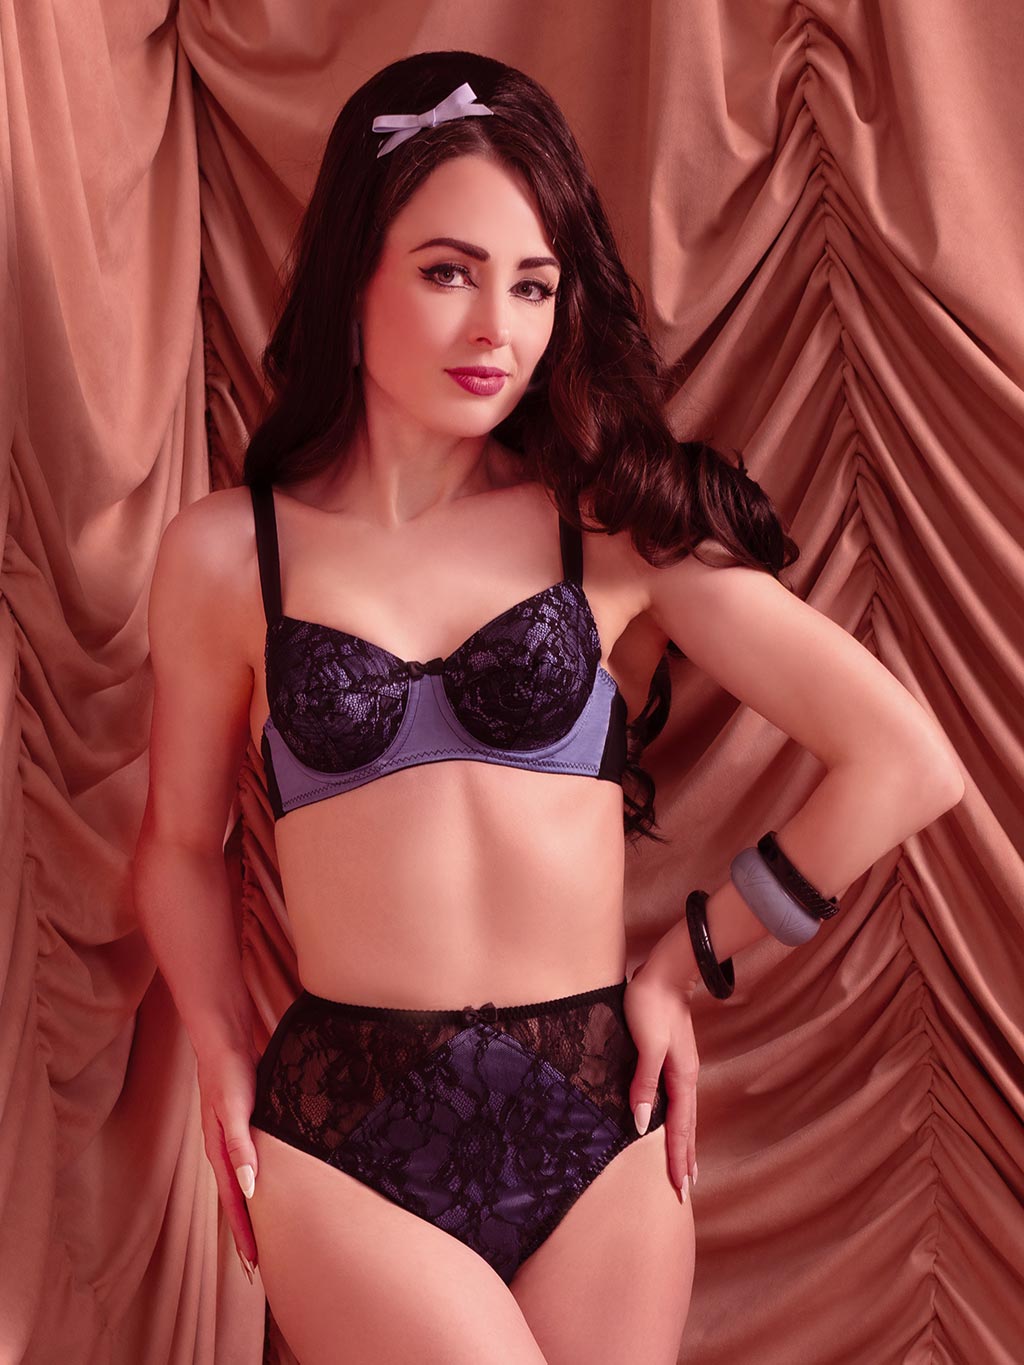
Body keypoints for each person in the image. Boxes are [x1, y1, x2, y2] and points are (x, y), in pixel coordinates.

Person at [132, 50, 965, 1365]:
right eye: (448, 272)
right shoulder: (229, 555)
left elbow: (904, 759)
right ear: (354, 273)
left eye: (533, 285)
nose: (497, 330)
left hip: (601, 1117)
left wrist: (685, 962)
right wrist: (220, 1047)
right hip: (346, 1128)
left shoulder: (606, 527)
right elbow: (182, 844)